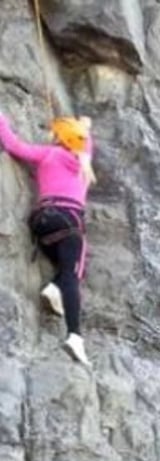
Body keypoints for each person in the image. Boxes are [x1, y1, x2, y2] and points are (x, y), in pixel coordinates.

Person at [0, 113, 96, 365]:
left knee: (67, 268)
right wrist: (86, 126)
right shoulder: (83, 164)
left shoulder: (47, 154)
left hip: (42, 220)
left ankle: (54, 288)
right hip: (69, 220)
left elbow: (12, 145)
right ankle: (75, 336)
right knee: (74, 274)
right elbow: (86, 144)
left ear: (59, 137)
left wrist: (0, 118)